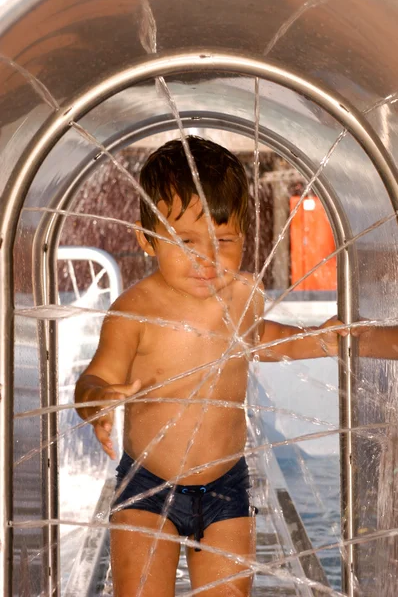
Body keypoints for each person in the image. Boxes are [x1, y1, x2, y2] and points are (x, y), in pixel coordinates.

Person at [74, 136, 396, 597]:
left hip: (226, 483)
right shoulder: (133, 312)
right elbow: (96, 377)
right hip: (148, 485)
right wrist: (97, 401)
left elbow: (257, 341)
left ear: (245, 236)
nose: (206, 257)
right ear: (146, 239)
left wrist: (318, 340)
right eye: (185, 240)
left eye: (224, 240)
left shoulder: (243, 295)